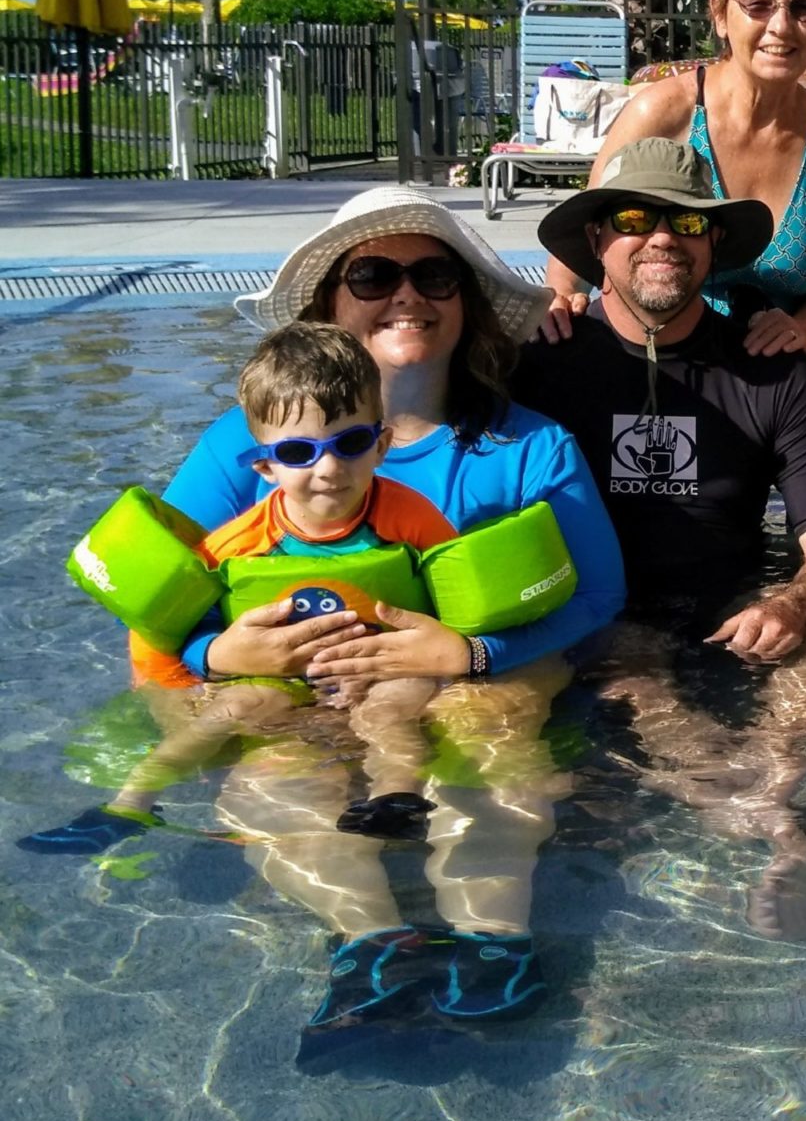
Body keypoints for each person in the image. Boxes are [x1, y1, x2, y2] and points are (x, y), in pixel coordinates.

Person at [135, 186, 626, 1031]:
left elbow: (598, 592)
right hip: (303, 688)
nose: (407, 295)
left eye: (435, 274)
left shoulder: (528, 446)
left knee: (490, 724)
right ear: (333, 300)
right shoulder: (245, 443)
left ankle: (491, 938)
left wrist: (468, 657)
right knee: (269, 770)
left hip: (473, 680)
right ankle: (373, 941)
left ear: (465, 305)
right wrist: (222, 654)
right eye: (372, 274)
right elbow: (158, 600)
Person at [515, 137, 806, 939]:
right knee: (631, 660)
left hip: (736, 609)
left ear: (714, 244)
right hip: (608, 613)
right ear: (597, 244)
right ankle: (779, 825)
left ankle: (770, 784)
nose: (661, 237)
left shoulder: (770, 366)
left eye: (686, 222)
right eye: (634, 218)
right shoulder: (543, 360)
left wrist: (793, 597)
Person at [28, 326, 470, 851]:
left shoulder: (414, 519)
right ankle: (130, 805)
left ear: (381, 445)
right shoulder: (237, 543)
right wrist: (216, 659)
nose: (329, 469)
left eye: (350, 443)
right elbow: (186, 632)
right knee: (228, 711)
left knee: (395, 706)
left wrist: (417, 662)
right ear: (265, 465)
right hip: (280, 678)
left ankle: (395, 801)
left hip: (382, 669)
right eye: (299, 451)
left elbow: (455, 604)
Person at [542, 0, 806, 359]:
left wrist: (798, 329)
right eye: (758, 4)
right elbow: (581, 241)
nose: (781, 26)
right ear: (719, 14)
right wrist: (561, 298)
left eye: (803, 7)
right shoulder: (663, 113)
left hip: (777, 371)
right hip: (659, 363)